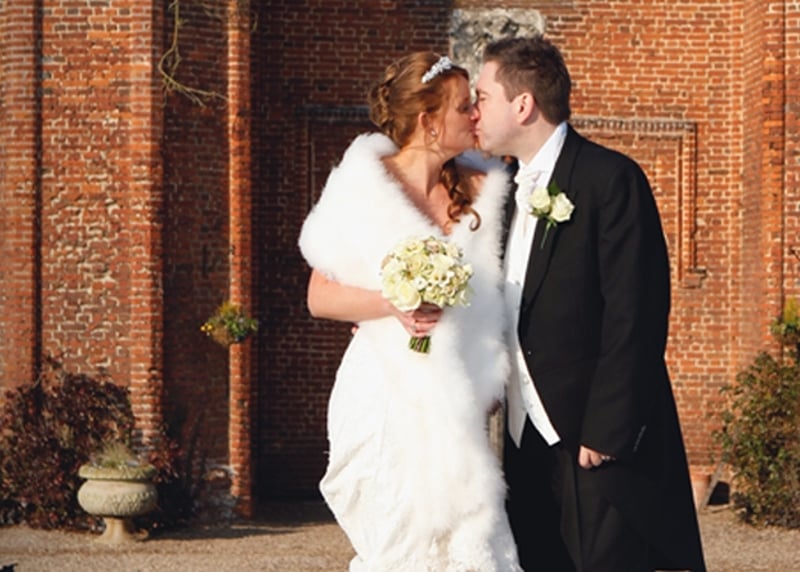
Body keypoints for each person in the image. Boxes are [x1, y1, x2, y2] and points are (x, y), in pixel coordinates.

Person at [473, 36, 707, 572]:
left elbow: (636, 313)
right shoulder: (503, 190)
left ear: (523, 104)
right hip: (525, 440)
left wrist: (608, 430)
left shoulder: (610, 179)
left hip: (593, 444)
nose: (474, 110)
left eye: (483, 97)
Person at [298, 51, 522, 571]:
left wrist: (488, 368)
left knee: (469, 535)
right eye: (463, 106)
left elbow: (496, 293)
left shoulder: (486, 190)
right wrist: (391, 304)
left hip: (454, 389)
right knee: (399, 539)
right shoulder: (363, 187)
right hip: (382, 387)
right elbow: (319, 296)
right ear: (428, 120)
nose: (475, 115)